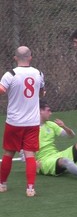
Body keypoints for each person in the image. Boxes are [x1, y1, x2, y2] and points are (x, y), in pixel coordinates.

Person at [0, 46, 45, 197]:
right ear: (30, 58)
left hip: (14, 122)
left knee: (8, 153)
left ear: (15, 58)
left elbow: (1, 90)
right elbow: (41, 92)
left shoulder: (10, 74)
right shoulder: (38, 73)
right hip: (32, 122)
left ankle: (2, 184)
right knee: (30, 154)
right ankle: (30, 188)